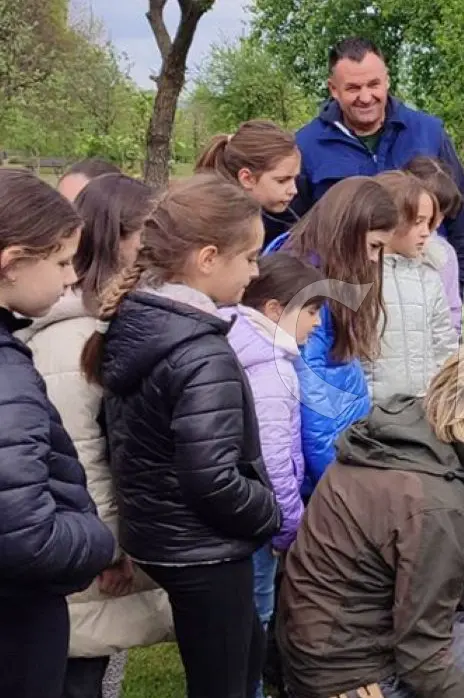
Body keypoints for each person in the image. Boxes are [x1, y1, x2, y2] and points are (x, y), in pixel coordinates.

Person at [276, 339, 464, 698]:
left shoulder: (412, 431)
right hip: (352, 675)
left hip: (328, 638)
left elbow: (462, 520)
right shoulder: (437, 508)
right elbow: (422, 663)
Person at [82, 173, 282, 698]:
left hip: (161, 536)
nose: (256, 272)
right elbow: (211, 477)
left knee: (243, 658)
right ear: (208, 258)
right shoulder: (200, 351)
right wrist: (266, 511)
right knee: (226, 682)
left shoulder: (136, 320)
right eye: (250, 257)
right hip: (204, 549)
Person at [19, 174, 173, 698]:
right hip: (82, 549)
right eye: (145, 238)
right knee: (77, 672)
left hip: (88, 541)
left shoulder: (105, 326)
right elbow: (80, 454)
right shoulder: (73, 340)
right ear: (118, 238)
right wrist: (108, 547)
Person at [0, 170, 116, 697]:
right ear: (13, 262)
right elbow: (28, 536)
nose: (72, 277)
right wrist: (96, 541)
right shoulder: (8, 375)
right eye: (63, 261)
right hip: (19, 622)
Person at [293, 37, 464, 295]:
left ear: (387, 80)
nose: (366, 97)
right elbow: (292, 229)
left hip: (428, 289)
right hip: (348, 296)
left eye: (373, 84)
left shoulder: (429, 132)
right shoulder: (306, 146)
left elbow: (459, 210)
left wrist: (463, 283)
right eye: (353, 88)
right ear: (333, 89)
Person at [221, 254, 326, 698]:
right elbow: (274, 461)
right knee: (254, 619)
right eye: (312, 311)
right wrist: (289, 530)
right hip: (257, 522)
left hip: (227, 516)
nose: (318, 325)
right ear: (274, 311)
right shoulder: (270, 367)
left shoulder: (234, 340)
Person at [264, 177, 398, 495]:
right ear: (349, 231)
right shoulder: (309, 296)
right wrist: (341, 491)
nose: (374, 259)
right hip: (324, 471)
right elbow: (312, 402)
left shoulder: (310, 266)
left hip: (336, 453)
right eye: (374, 246)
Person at [373, 170, 456, 401]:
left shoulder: (430, 278)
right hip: (369, 413)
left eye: (429, 222)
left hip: (423, 409)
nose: (425, 232)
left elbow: (444, 344)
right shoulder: (358, 277)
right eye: (417, 222)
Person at [194, 120, 303, 248]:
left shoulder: (284, 221)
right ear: (247, 179)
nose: (293, 190)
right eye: (282, 180)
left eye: (295, 179)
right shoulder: (222, 234)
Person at [406, 155, 464, 333]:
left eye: (442, 216)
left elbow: (453, 310)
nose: (436, 223)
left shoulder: (445, 253)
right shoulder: (375, 250)